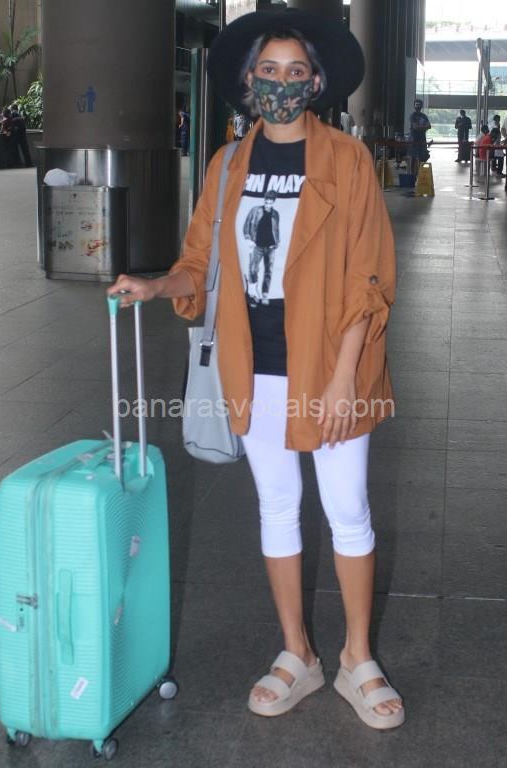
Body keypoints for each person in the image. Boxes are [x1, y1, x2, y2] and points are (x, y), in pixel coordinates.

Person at [108, 9, 404, 730]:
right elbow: (199, 264)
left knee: (347, 508)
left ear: (315, 83)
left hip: (330, 365)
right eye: (268, 71)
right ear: (249, 81)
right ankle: (297, 652)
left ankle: (357, 658)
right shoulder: (228, 164)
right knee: (277, 504)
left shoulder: (346, 161)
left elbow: (368, 278)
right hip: (254, 366)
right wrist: (155, 285)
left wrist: (344, 378)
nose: (281, 83)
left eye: (295, 71)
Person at [409, 98, 431, 171]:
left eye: (419, 105)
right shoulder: (413, 115)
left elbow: (429, 126)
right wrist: (423, 126)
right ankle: (412, 172)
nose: (418, 106)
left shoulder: (424, 116)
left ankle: (422, 172)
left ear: (421, 106)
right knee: (413, 156)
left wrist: (419, 127)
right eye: (416, 104)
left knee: (423, 155)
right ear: (414, 106)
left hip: (422, 138)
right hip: (414, 137)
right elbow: (415, 127)